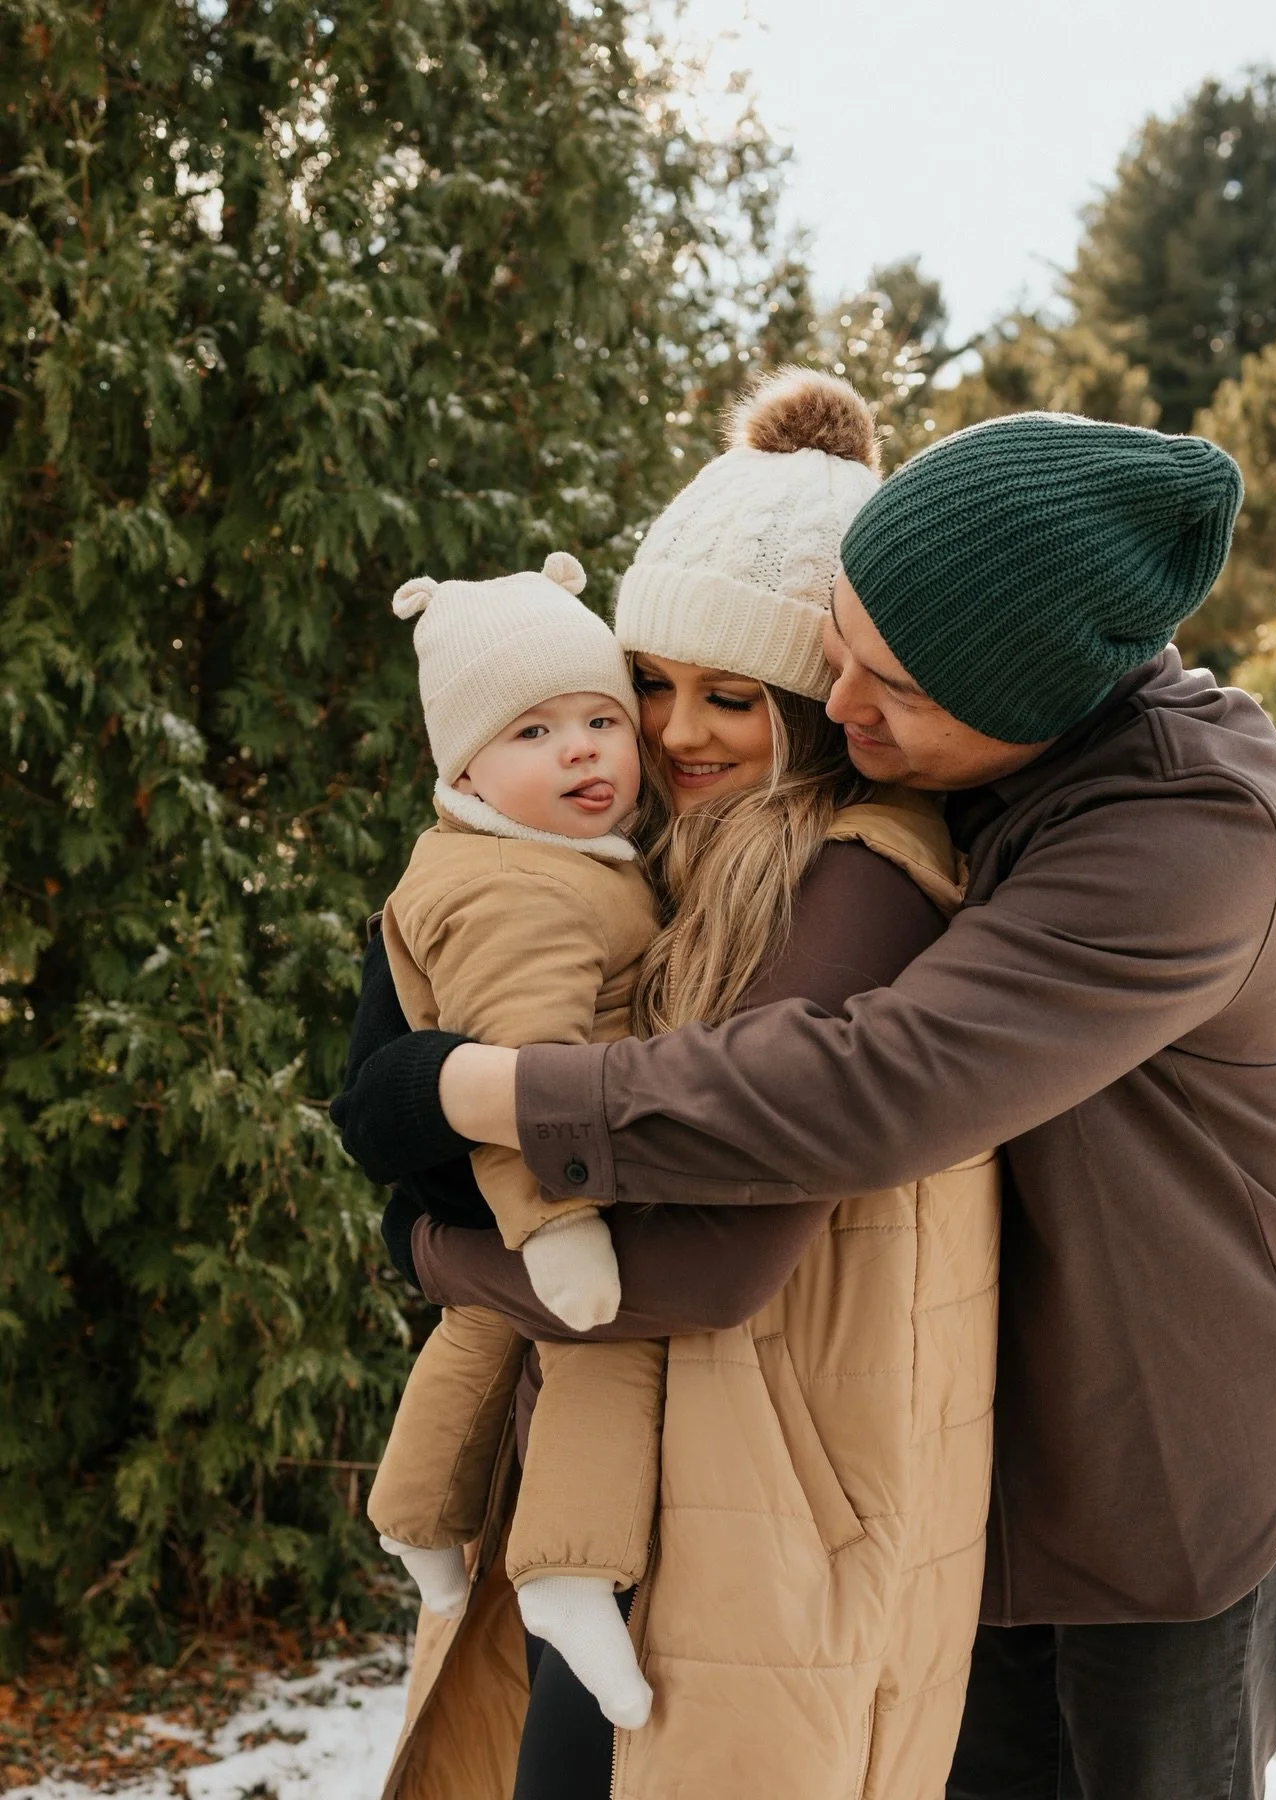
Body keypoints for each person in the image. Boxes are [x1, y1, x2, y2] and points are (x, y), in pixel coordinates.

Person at [345, 409, 1276, 1800]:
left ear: (1034, 697)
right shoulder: (919, 762)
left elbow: (866, 1087)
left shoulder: (1182, 830)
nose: (833, 710)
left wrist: (467, 1107)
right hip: (979, 1461)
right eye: (837, 650)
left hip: (1164, 1476)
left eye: (886, 688)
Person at [334, 371, 1003, 1800]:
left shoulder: (857, 882)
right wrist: (405, 1069)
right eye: (650, 684)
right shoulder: (650, 860)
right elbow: (439, 1055)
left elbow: (709, 1265)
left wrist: (430, 1243)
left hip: (767, 1483)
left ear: (820, 708)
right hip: (633, 1453)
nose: (676, 730)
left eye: (733, 697)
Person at [369, 552, 663, 1729]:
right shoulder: (521, 890)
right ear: (468, 768)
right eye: (535, 732)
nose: (584, 749)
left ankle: (420, 1520)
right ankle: (570, 1572)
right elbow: (519, 1071)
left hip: (531, 1183)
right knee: (604, 1336)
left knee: (478, 1326)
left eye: (601, 717)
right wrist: (559, 1227)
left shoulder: (533, 856)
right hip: (563, 1185)